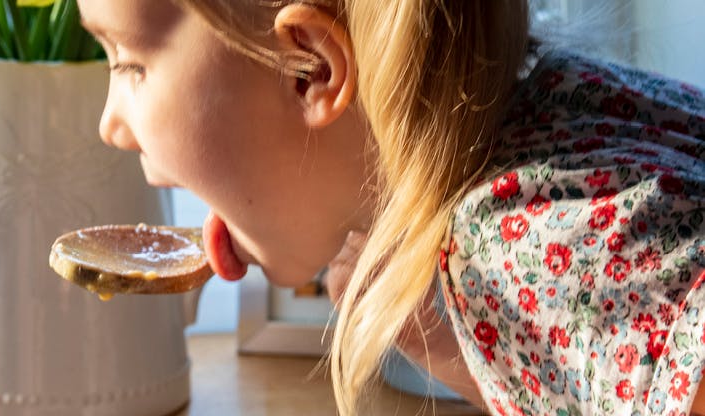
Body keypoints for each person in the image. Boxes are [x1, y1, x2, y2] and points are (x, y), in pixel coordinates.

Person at [76, 0, 705, 414]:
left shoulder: (529, 243)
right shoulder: (557, 94)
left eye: (130, 63)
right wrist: (464, 358)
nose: (112, 125)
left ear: (309, 70)